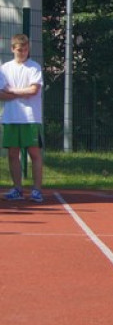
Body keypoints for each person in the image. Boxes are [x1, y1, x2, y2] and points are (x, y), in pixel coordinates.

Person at [1, 34, 45, 203]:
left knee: (34, 153)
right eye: (20, 50)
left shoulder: (34, 67)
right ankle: (18, 188)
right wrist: (19, 92)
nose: (23, 53)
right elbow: (0, 94)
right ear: (13, 49)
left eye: (25, 50)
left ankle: (37, 190)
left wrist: (12, 91)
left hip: (30, 118)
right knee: (13, 154)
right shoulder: (5, 68)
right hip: (11, 117)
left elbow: (33, 90)